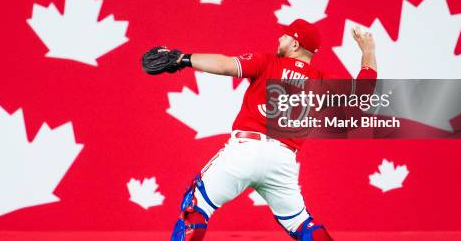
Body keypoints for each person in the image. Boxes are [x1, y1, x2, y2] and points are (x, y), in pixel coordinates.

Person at [141, 19, 377, 240]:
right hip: (283, 162)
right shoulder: (322, 81)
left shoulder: (268, 62)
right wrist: (368, 50)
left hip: (245, 151)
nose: (278, 40)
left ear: (295, 43)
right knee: (301, 223)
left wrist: (183, 58)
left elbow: (224, 65)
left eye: (283, 37)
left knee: (194, 208)